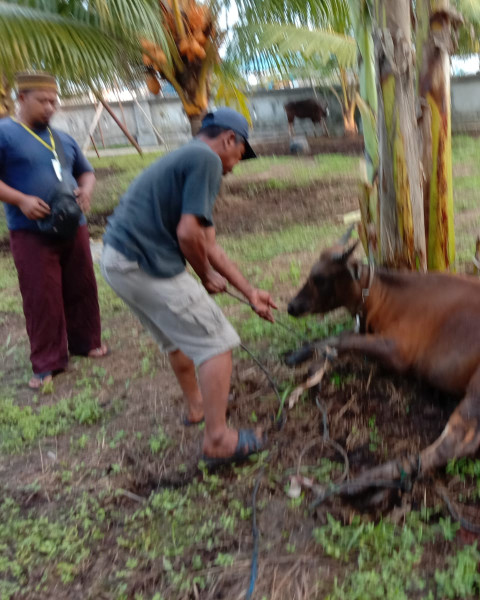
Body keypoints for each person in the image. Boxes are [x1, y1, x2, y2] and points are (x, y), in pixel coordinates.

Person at [101, 107, 277, 464]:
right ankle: (218, 440)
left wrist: (250, 292)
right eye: (241, 152)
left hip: (117, 261)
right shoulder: (206, 161)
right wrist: (204, 275)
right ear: (230, 139)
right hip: (146, 262)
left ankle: (197, 407)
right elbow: (188, 235)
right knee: (217, 342)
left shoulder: (187, 157)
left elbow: (208, 242)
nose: (237, 163)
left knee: (178, 338)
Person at [0, 72, 108, 389]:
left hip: (74, 226)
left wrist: (86, 191)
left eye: (54, 101)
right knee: (41, 296)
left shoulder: (62, 138)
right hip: (31, 231)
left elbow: (85, 173)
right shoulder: (5, 133)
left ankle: (87, 342)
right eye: (43, 101)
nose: (51, 107)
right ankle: (47, 363)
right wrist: (20, 199)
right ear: (22, 98)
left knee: (82, 286)